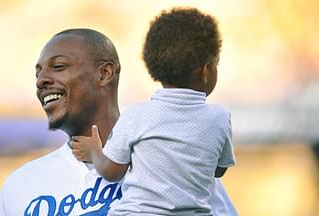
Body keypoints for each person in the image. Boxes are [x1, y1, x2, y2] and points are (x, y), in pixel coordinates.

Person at [0, 28, 238, 216]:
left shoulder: (178, 157)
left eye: (58, 66)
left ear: (105, 73)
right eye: (38, 73)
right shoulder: (20, 186)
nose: (42, 80)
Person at [71, 8, 236, 216]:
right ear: (205, 71)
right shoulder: (220, 118)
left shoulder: (136, 115)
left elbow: (112, 172)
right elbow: (219, 170)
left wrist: (95, 151)